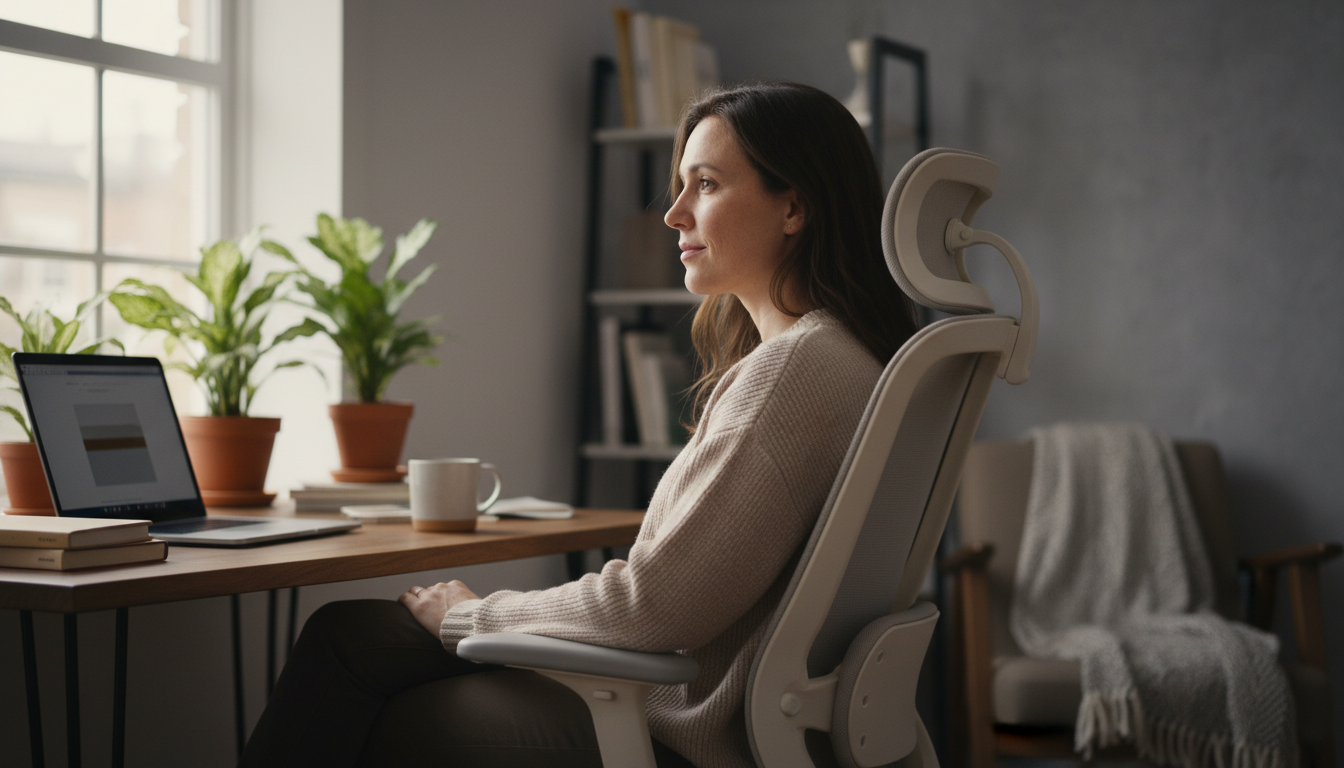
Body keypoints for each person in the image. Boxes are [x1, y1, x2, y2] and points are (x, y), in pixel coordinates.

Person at [238, 81, 918, 768]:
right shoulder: (838, 356)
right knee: (347, 634)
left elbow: (653, 607)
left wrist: (470, 616)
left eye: (705, 185)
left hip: (683, 728)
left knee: (372, 681)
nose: (673, 214)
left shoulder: (793, 372)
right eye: (680, 186)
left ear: (793, 206)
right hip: (697, 697)